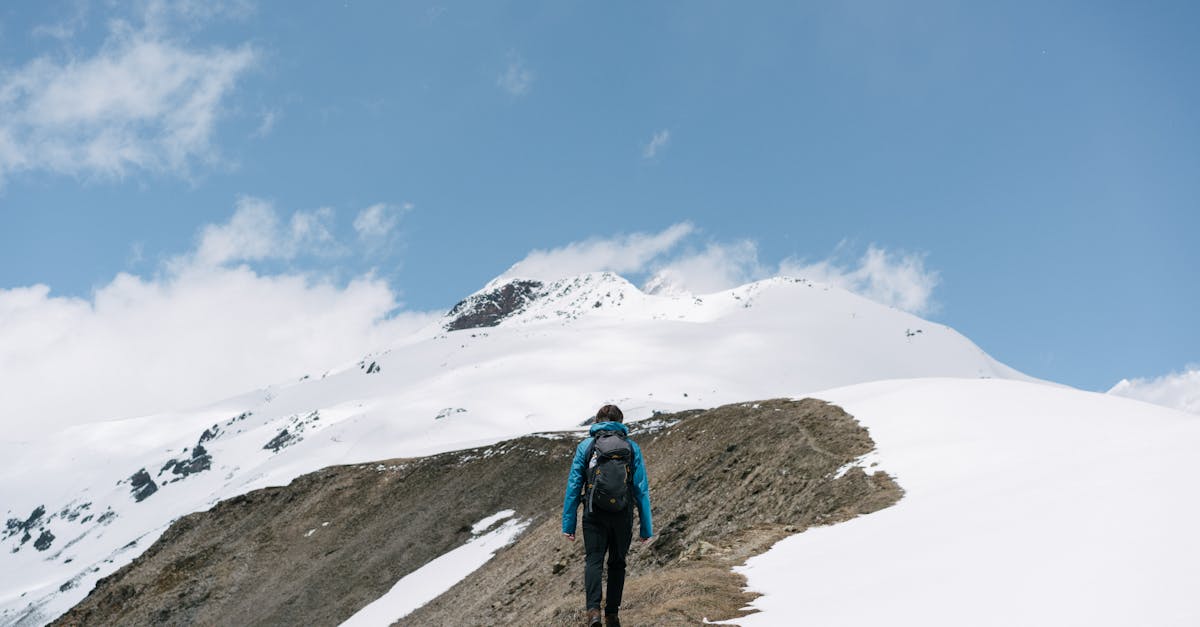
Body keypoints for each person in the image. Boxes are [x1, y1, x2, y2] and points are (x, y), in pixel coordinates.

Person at [561, 404, 653, 627]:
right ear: (620, 422)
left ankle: (593, 612)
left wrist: (569, 524)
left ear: (596, 421)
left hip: (594, 513)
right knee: (617, 563)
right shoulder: (631, 447)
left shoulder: (586, 446)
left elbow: (574, 485)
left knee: (593, 560)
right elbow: (641, 488)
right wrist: (646, 528)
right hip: (622, 513)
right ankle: (612, 614)